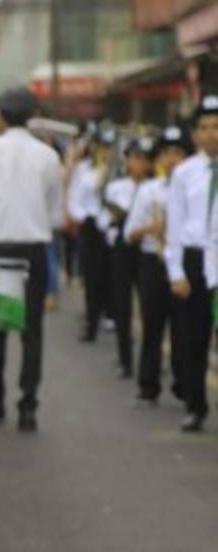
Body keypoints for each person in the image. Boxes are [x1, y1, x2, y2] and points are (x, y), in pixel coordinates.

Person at [0, 87, 62, 432]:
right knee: (31, 330)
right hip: (35, 248)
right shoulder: (48, 155)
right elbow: (54, 214)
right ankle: (28, 406)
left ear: (2, 115)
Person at [165, 94, 218, 432]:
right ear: (196, 134)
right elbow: (173, 223)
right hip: (195, 260)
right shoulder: (184, 173)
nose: (211, 133)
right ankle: (195, 406)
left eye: (217, 127)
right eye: (204, 127)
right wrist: (175, 271)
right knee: (193, 340)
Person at [127, 127, 190, 406]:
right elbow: (129, 232)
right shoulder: (148, 190)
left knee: (183, 327)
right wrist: (151, 228)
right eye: (166, 154)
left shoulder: (195, 186)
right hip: (153, 262)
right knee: (152, 325)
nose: (172, 159)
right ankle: (148, 383)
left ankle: (183, 381)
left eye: (178, 153)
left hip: (183, 262)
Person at [104, 136, 156, 379]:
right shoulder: (116, 188)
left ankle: (151, 360)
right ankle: (125, 360)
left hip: (147, 250)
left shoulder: (157, 187)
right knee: (122, 305)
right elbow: (105, 220)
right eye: (133, 157)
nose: (137, 163)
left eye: (142, 158)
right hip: (123, 249)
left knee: (149, 307)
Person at [68, 128, 115, 342]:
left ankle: (110, 313)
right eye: (101, 146)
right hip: (90, 226)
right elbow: (74, 198)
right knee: (91, 276)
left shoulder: (117, 171)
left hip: (111, 228)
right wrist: (83, 216)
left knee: (109, 275)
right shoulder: (83, 170)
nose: (104, 151)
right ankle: (91, 322)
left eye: (108, 147)